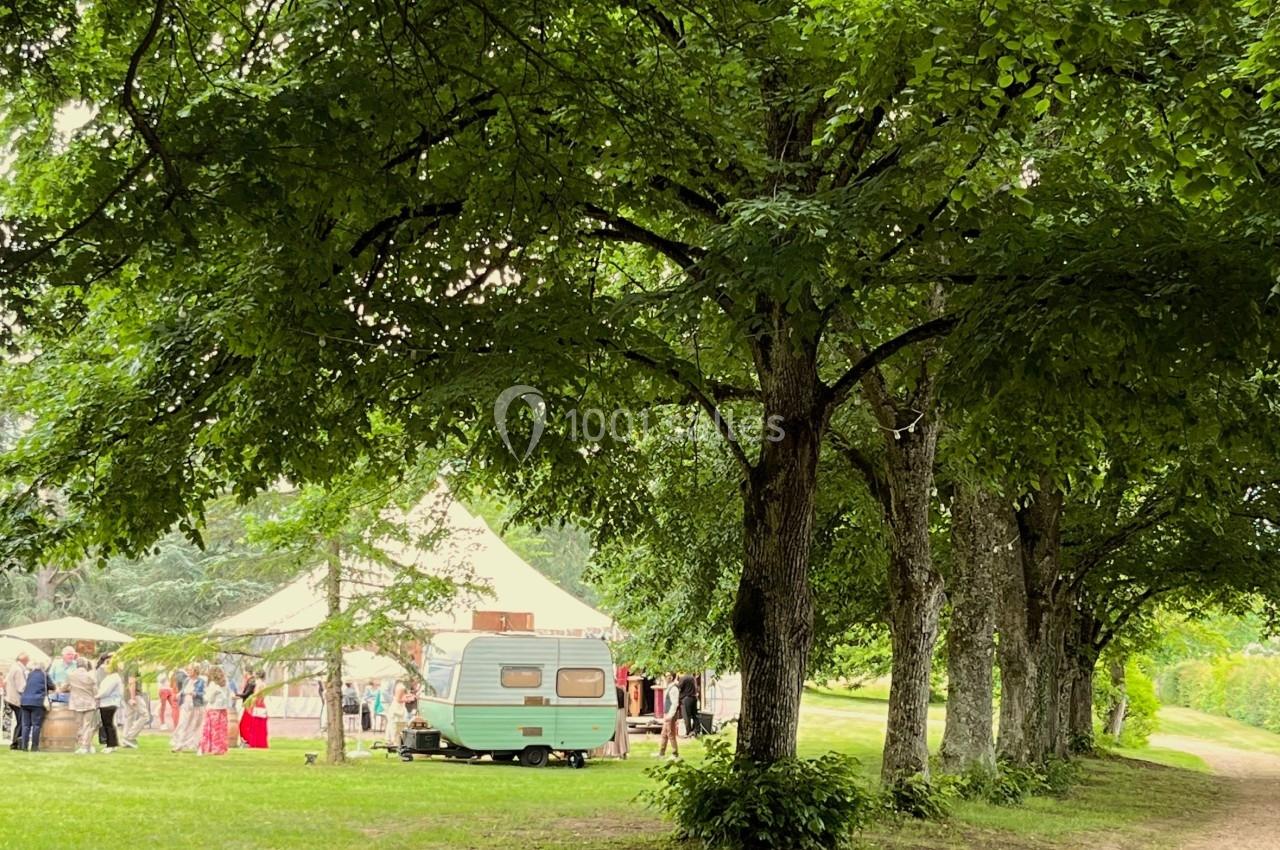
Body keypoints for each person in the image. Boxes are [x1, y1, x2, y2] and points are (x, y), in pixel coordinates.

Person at [170, 663, 206, 752]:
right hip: (185, 704)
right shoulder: (186, 680)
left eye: (190, 670)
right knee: (182, 724)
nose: (188, 671)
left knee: (194, 725)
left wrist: (196, 693)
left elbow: (204, 693)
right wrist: (179, 694)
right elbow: (183, 690)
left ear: (195, 671)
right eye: (188, 670)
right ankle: (179, 744)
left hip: (195, 705)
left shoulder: (201, 681)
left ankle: (194, 744)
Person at [19, 660, 53, 751]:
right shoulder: (44, 675)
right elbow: (52, 686)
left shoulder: (30, 674)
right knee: (36, 725)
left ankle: (24, 746)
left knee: (25, 725)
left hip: (25, 701)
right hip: (37, 701)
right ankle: (34, 747)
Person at [68, 658, 100, 754]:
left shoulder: (71, 675)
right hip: (89, 703)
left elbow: (64, 686)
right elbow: (95, 690)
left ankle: (84, 746)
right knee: (88, 725)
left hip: (76, 703)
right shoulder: (90, 676)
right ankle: (86, 745)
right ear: (86, 665)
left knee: (80, 725)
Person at [198, 667, 230, 756]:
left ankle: (211, 747)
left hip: (213, 709)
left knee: (211, 730)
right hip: (223, 709)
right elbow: (227, 696)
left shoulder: (212, 685)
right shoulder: (225, 684)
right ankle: (220, 748)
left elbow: (209, 699)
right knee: (222, 730)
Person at [96, 659, 123, 753]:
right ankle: (113, 743)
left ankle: (110, 744)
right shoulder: (110, 677)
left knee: (108, 724)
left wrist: (97, 696)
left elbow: (106, 691)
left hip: (109, 703)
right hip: (106, 702)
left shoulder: (114, 678)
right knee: (109, 724)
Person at [238, 670, 269, 749]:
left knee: (255, 725)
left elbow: (255, 696)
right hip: (262, 705)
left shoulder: (258, 684)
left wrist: (251, 705)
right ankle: (261, 743)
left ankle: (255, 743)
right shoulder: (264, 684)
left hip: (257, 705)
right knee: (261, 726)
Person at [119, 665, 147, 749]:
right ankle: (130, 737)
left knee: (129, 717)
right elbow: (131, 681)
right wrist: (132, 698)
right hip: (134, 694)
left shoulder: (126, 664)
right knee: (145, 715)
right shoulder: (133, 665)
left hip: (126, 694)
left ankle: (125, 740)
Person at [4, 652, 28, 750]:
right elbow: (21, 687)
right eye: (27, 660)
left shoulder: (13, 668)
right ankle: (16, 743)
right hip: (16, 699)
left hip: (10, 698)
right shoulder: (18, 670)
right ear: (24, 660)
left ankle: (16, 742)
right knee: (21, 721)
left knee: (20, 721)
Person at [656, 673, 681, 760]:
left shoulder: (674, 689)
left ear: (671, 678)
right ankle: (661, 753)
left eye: (667, 676)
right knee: (664, 734)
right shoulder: (669, 688)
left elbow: (674, 704)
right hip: (667, 713)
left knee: (670, 733)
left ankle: (675, 753)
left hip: (671, 714)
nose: (665, 678)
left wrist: (670, 715)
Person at [384, 680, 408, 748]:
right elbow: (398, 699)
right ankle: (393, 741)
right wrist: (407, 700)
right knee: (395, 724)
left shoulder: (398, 686)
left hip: (397, 707)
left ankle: (389, 740)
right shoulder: (401, 687)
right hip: (397, 708)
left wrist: (407, 697)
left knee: (392, 724)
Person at [678, 672, 699, 737]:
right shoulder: (693, 678)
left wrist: (676, 683)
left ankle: (688, 732)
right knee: (694, 715)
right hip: (694, 697)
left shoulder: (683, 678)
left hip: (686, 699)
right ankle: (695, 730)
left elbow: (679, 687)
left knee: (686, 716)